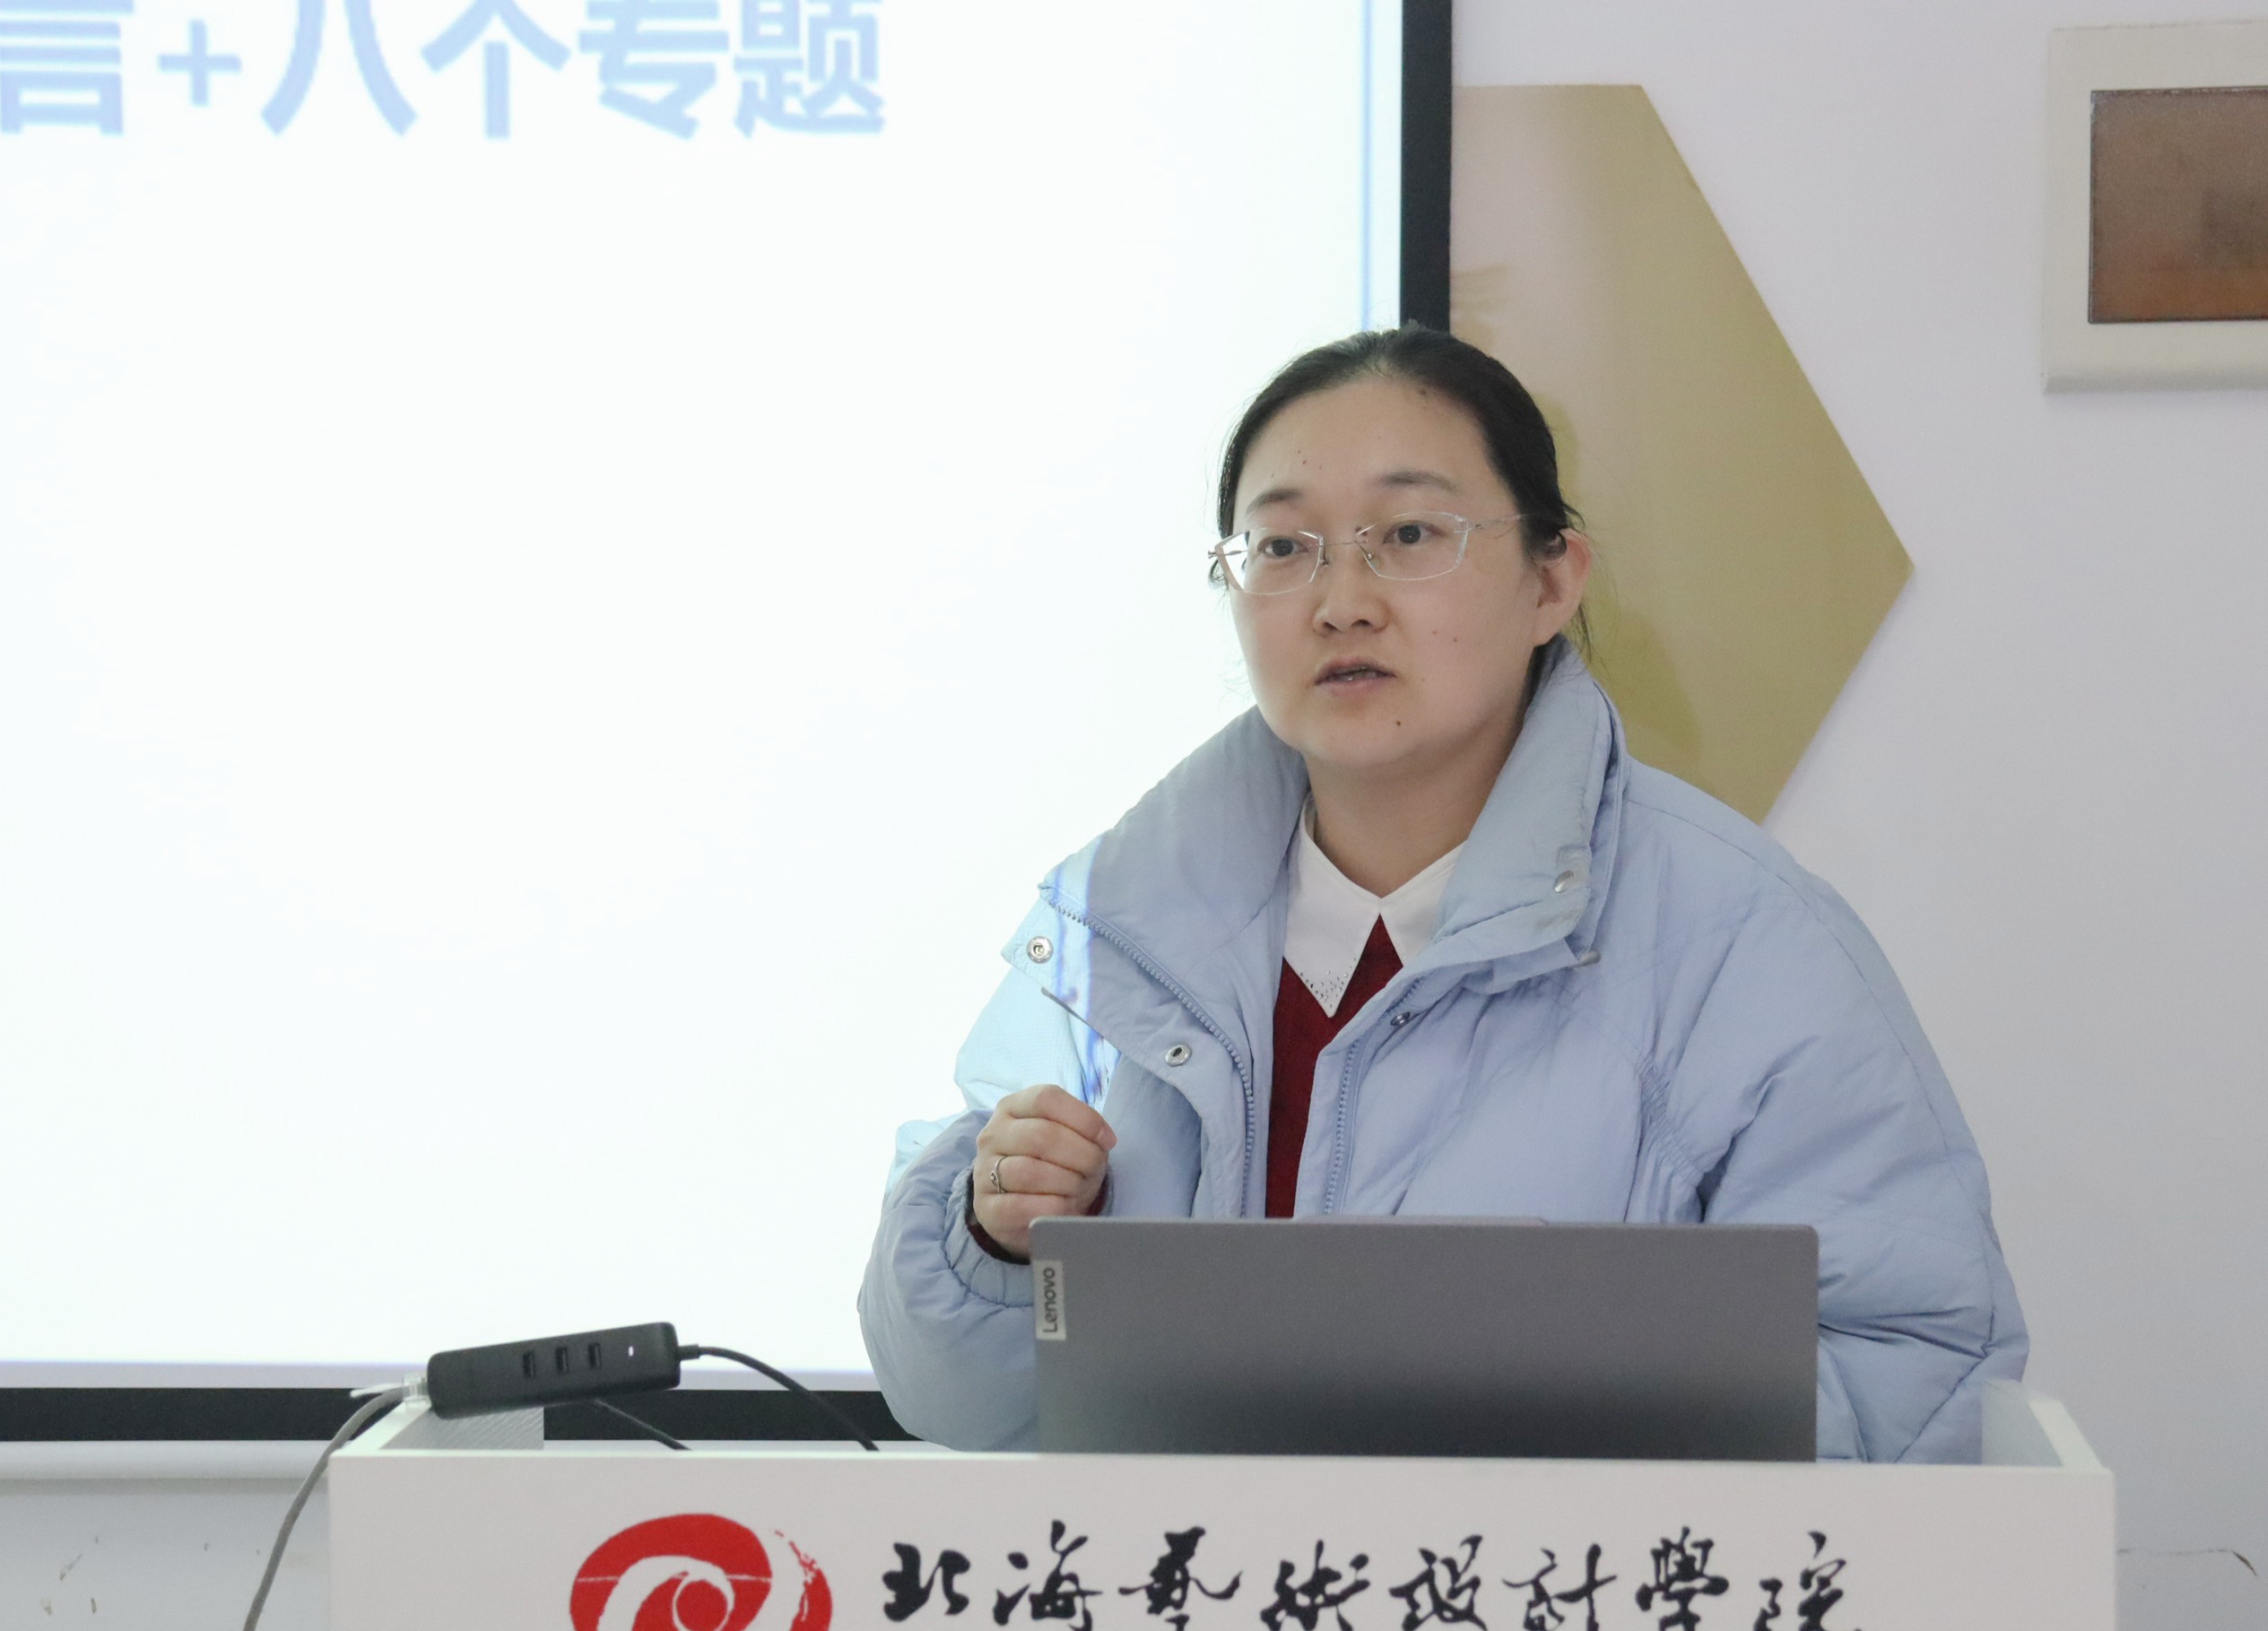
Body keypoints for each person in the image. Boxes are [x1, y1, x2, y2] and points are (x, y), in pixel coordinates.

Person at [860, 325, 2025, 1462]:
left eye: (1409, 534)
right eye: (1283, 547)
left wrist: (1564, 1447)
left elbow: (1919, 1376)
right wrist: (995, 1245)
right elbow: (952, 1399)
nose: (1340, 601)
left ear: (1553, 580)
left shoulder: (1744, 943)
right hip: (1191, 1595)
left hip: (1561, 1597)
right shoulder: (1123, 923)